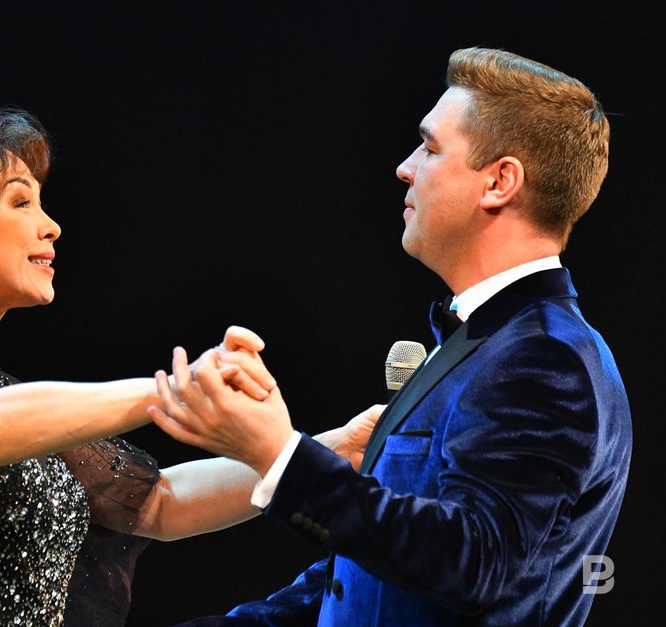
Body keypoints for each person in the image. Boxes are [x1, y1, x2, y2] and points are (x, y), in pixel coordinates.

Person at [0, 98, 379, 627]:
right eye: (20, 202)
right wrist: (172, 390)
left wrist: (322, 451)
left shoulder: (14, 403)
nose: (52, 226)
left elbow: (160, 502)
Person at [150, 47, 633, 626]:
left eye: (430, 148)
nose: (406, 167)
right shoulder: (491, 343)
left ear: (500, 182)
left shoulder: (545, 357)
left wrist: (279, 454)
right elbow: (363, 590)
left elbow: (474, 562)